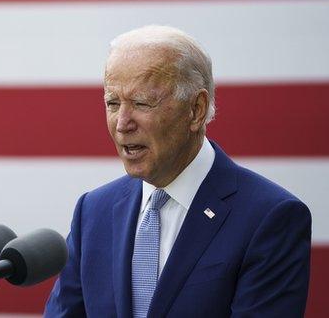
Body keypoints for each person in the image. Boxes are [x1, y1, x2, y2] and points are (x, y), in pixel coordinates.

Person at [44, 25, 311, 317]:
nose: (122, 123)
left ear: (195, 110)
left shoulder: (270, 218)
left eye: (141, 103)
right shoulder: (93, 212)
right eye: (113, 103)